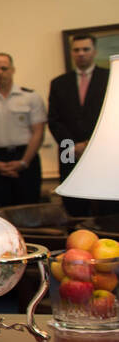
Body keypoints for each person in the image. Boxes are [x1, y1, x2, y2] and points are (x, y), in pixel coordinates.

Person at [48, 34, 116, 216]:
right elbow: (54, 120)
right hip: (69, 152)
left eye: (85, 49)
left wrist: (88, 145)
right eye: (76, 50)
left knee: (107, 208)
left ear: (94, 51)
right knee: (74, 207)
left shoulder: (110, 78)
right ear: (72, 53)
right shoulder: (58, 83)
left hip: (103, 153)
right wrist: (73, 146)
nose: (81, 54)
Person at [0, 53, 46, 208]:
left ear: (12, 70)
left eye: (4, 68)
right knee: (2, 212)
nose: (0, 72)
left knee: (30, 212)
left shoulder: (30, 97)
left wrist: (24, 162)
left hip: (26, 159)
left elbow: (38, 132)